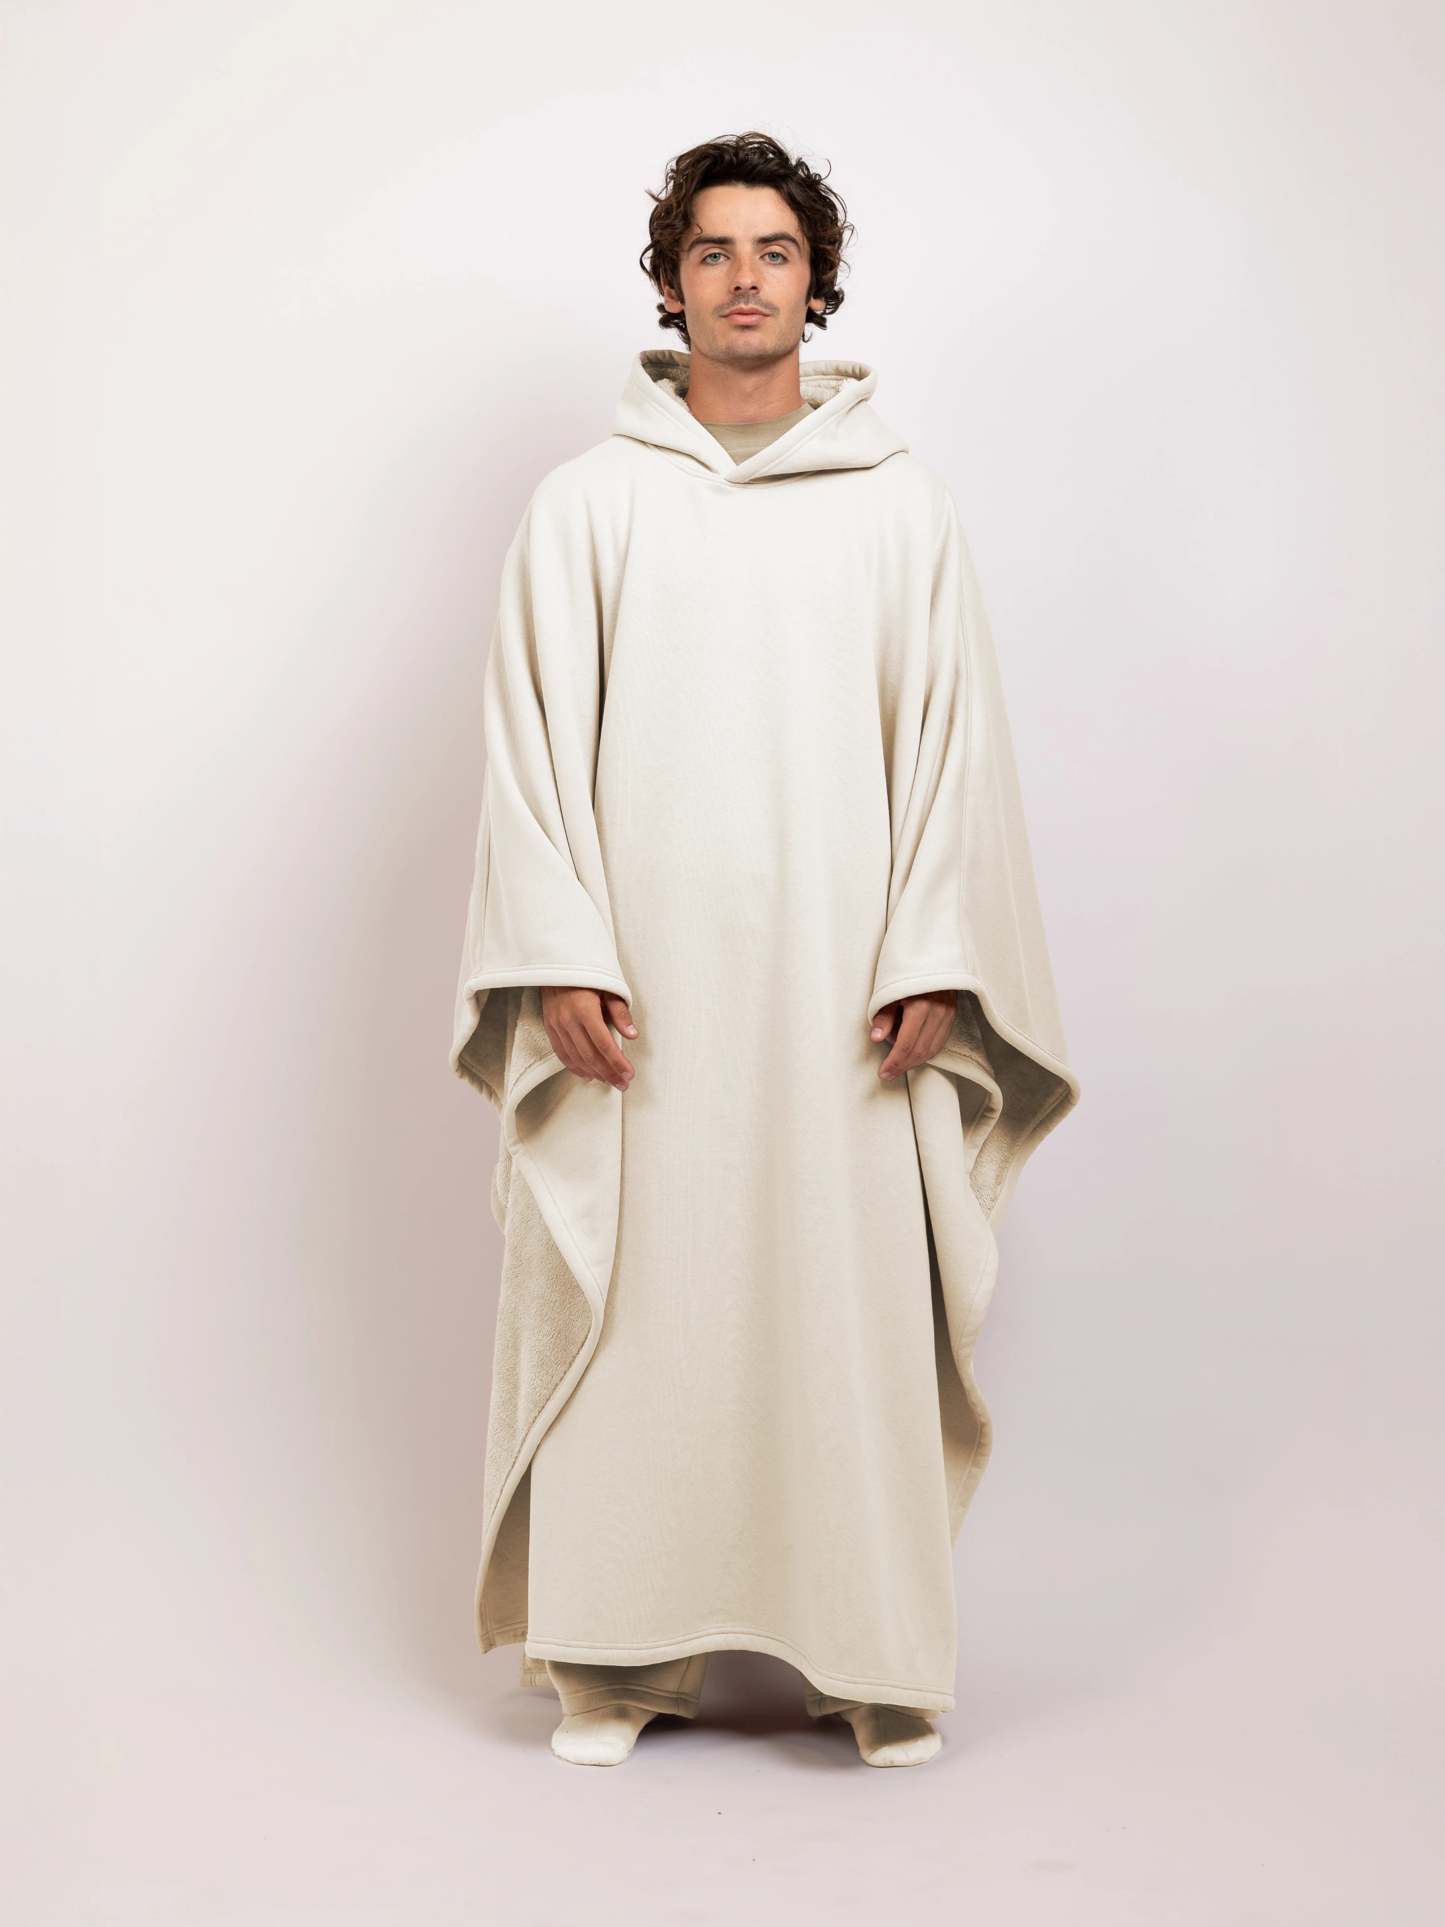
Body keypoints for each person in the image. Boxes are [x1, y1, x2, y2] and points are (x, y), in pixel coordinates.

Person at [449, 130, 1081, 1768]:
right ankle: (615, 1659)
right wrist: (558, 952)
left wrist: (933, 952)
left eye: (776, 251)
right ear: (669, 286)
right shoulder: (590, 504)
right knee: (638, 1306)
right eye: (713, 252)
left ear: (818, 281)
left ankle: (866, 1656)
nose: (745, 279)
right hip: (640, 992)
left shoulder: (898, 507)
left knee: (840, 1309)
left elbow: (953, 748)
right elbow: (529, 745)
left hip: (839, 989)